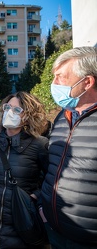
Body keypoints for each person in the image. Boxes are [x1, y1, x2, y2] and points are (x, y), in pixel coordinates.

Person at [0, 91, 49, 248]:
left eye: (17, 110)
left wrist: (37, 194)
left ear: (28, 115)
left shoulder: (40, 144)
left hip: (20, 219)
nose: (9, 112)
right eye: (8, 107)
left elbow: (52, 178)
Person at [41, 46, 97, 248]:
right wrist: (44, 207)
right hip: (55, 231)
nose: (53, 84)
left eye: (60, 77)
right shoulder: (62, 117)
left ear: (87, 82)